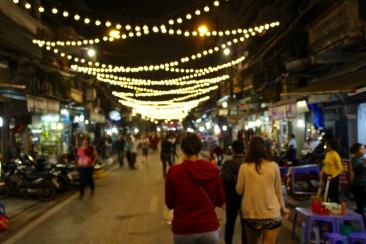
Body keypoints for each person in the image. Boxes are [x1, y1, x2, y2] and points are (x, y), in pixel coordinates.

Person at [165, 133, 225, 244]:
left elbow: (169, 203)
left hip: (183, 230)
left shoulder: (174, 171)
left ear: (182, 149)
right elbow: (220, 200)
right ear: (199, 149)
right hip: (209, 229)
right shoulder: (211, 169)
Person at [236, 136, 289, 244]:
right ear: (265, 148)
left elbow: (239, 191)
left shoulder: (244, 167)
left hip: (251, 213)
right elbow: (278, 191)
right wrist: (283, 209)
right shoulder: (273, 166)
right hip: (271, 213)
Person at [221, 140, 247, 244]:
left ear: (232, 150)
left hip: (231, 198)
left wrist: (223, 199)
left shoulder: (227, 164)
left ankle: (228, 242)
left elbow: (224, 182)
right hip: (245, 198)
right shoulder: (247, 164)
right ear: (243, 150)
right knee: (245, 225)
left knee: (230, 223)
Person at [320, 139, 343, 203]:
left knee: (334, 194)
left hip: (333, 178)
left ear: (329, 145)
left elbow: (340, 169)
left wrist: (332, 176)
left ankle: (337, 208)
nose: (325, 146)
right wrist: (322, 172)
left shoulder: (335, 155)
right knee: (327, 194)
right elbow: (325, 165)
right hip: (326, 176)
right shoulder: (327, 154)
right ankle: (328, 208)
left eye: (326, 144)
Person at [349, 143, 366, 223]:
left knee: (361, 205)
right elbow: (358, 171)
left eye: (364, 149)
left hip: (363, 185)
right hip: (358, 185)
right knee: (360, 205)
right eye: (361, 149)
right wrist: (363, 163)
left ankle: (350, 218)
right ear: (356, 151)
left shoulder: (361, 158)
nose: (363, 150)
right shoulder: (355, 159)